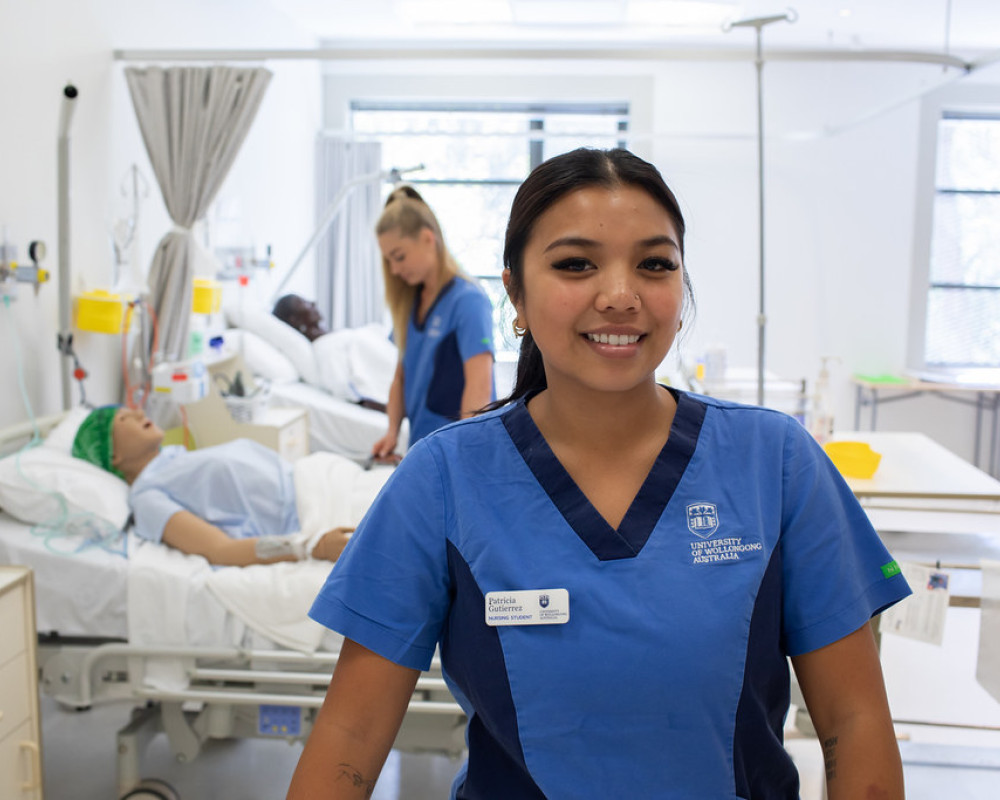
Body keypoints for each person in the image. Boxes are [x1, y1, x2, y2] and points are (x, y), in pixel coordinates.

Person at [287, 149, 910, 799]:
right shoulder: (443, 480)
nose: (619, 296)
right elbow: (350, 737)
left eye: (655, 264)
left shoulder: (774, 463)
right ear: (516, 295)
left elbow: (854, 719)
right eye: (575, 264)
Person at [72, 405, 352, 566]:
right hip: (312, 515)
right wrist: (312, 547)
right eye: (123, 419)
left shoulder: (173, 459)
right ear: (113, 456)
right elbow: (221, 550)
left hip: (322, 483)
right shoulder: (147, 496)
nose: (137, 411)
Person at [371, 185, 496, 457]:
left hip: (458, 449)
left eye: (399, 256)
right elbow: (401, 378)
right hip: (423, 448)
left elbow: (480, 388)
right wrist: (392, 432)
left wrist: (465, 455)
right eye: (388, 260)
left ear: (428, 239)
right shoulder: (410, 303)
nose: (394, 269)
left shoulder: (468, 301)